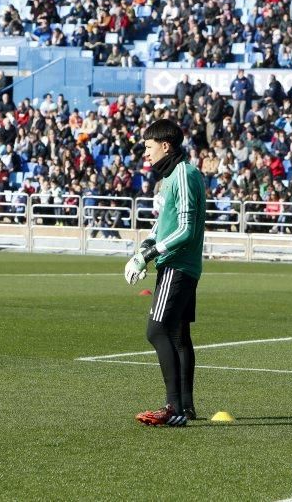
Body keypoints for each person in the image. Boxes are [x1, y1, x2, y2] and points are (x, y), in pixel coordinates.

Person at [124, 118, 206, 427]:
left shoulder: (183, 174)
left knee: (157, 331)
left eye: (148, 147)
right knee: (178, 335)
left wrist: (148, 254)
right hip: (181, 264)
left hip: (178, 264)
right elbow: (166, 223)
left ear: (165, 146)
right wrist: (143, 247)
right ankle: (185, 406)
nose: (145, 153)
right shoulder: (175, 175)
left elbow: (185, 229)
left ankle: (173, 408)